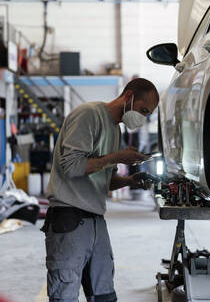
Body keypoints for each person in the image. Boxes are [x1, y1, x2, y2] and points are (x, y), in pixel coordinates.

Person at [42, 78, 159, 302]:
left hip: (96, 220)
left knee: (104, 296)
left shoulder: (115, 131)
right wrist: (117, 157)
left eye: (148, 114)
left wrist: (128, 181)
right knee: (64, 296)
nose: (143, 118)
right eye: (143, 110)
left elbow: (102, 178)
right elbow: (72, 167)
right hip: (69, 219)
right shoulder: (88, 115)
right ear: (128, 97)